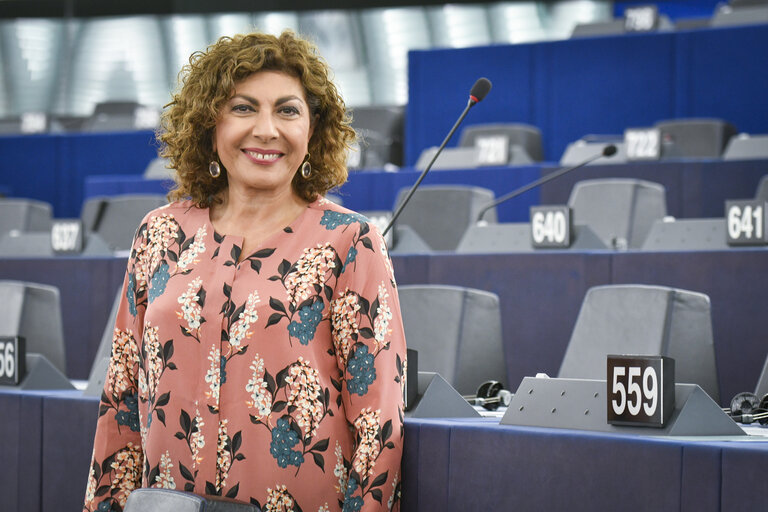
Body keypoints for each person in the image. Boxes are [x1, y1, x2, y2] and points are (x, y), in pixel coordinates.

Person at [83, 31, 406, 512]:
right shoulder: (159, 235)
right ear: (209, 123)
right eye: (243, 108)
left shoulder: (350, 242)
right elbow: (122, 403)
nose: (267, 129)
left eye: (288, 110)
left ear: (313, 129)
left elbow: (379, 425)